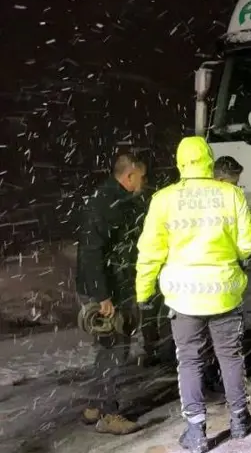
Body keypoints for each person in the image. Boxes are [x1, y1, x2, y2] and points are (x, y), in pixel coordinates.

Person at [136, 137, 251, 453]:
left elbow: (150, 251)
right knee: (230, 356)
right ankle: (239, 419)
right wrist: (228, 253)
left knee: (189, 361)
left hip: (183, 297)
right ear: (209, 159)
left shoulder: (164, 200)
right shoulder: (230, 194)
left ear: (180, 163)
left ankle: (196, 431)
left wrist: (143, 291)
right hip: (224, 293)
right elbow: (250, 242)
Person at [76, 153, 148, 435]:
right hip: (109, 290)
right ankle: (109, 414)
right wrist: (103, 295)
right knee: (115, 350)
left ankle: (95, 405)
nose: (143, 182)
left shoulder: (110, 198)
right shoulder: (109, 203)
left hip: (110, 285)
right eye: (140, 177)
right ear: (129, 176)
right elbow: (92, 251)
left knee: (106, 349)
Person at [200, 155, 246, 400]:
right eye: (234, 183)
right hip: (218, 284)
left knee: (205, 344)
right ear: (220, 179)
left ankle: (207, 382)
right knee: (227, 348)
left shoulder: (196, 201)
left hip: (198, 286)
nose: (238, 188)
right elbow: (246, 242)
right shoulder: (226, 204)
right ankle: (237, 412)